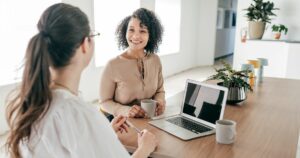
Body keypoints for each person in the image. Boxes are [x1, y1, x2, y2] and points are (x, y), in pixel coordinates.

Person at [5, 3, 157, 158]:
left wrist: (104, 133)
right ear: (85, 44)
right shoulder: (80, 114)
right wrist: (144, 149)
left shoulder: (32, 104)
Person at [99, 8, 166, 118]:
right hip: (121, 124)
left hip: (148, 120)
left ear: (151, 36)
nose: (135, 36)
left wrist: (160, 101)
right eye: (131, 30)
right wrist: (125, 110)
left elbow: (160, 90)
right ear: (125, 32)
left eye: (142, 31)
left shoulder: (155, 60)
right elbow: (104, 102)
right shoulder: (112, 65)